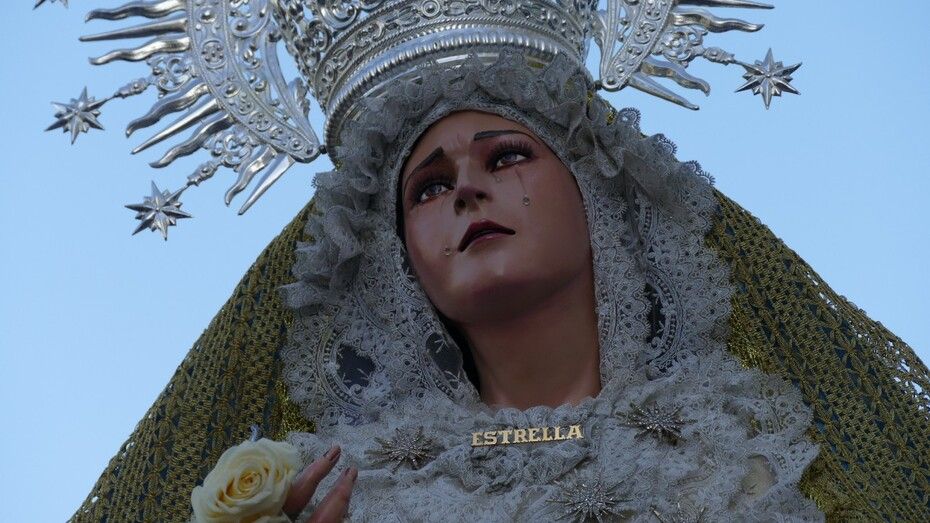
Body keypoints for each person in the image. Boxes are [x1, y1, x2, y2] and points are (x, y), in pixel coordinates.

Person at [69, 51, 928, 522]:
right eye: (427, 188)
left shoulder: (758, 451)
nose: (467, 191)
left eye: (507, 156)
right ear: (398, 260)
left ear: (599, 199)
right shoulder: (348, 491)